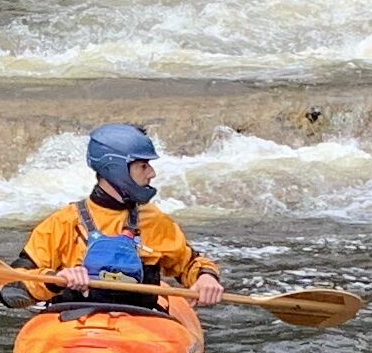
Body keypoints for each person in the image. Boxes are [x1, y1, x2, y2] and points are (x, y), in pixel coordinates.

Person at [23, 123, 228, 308]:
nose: (152, 173)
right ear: (116, 169)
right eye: (143, 166)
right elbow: (14, 289)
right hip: (74, 323)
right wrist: (56, 279)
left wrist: (206, 277)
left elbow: (191, 264)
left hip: (140, 323)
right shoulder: (63, 223)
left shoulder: (153, 221)